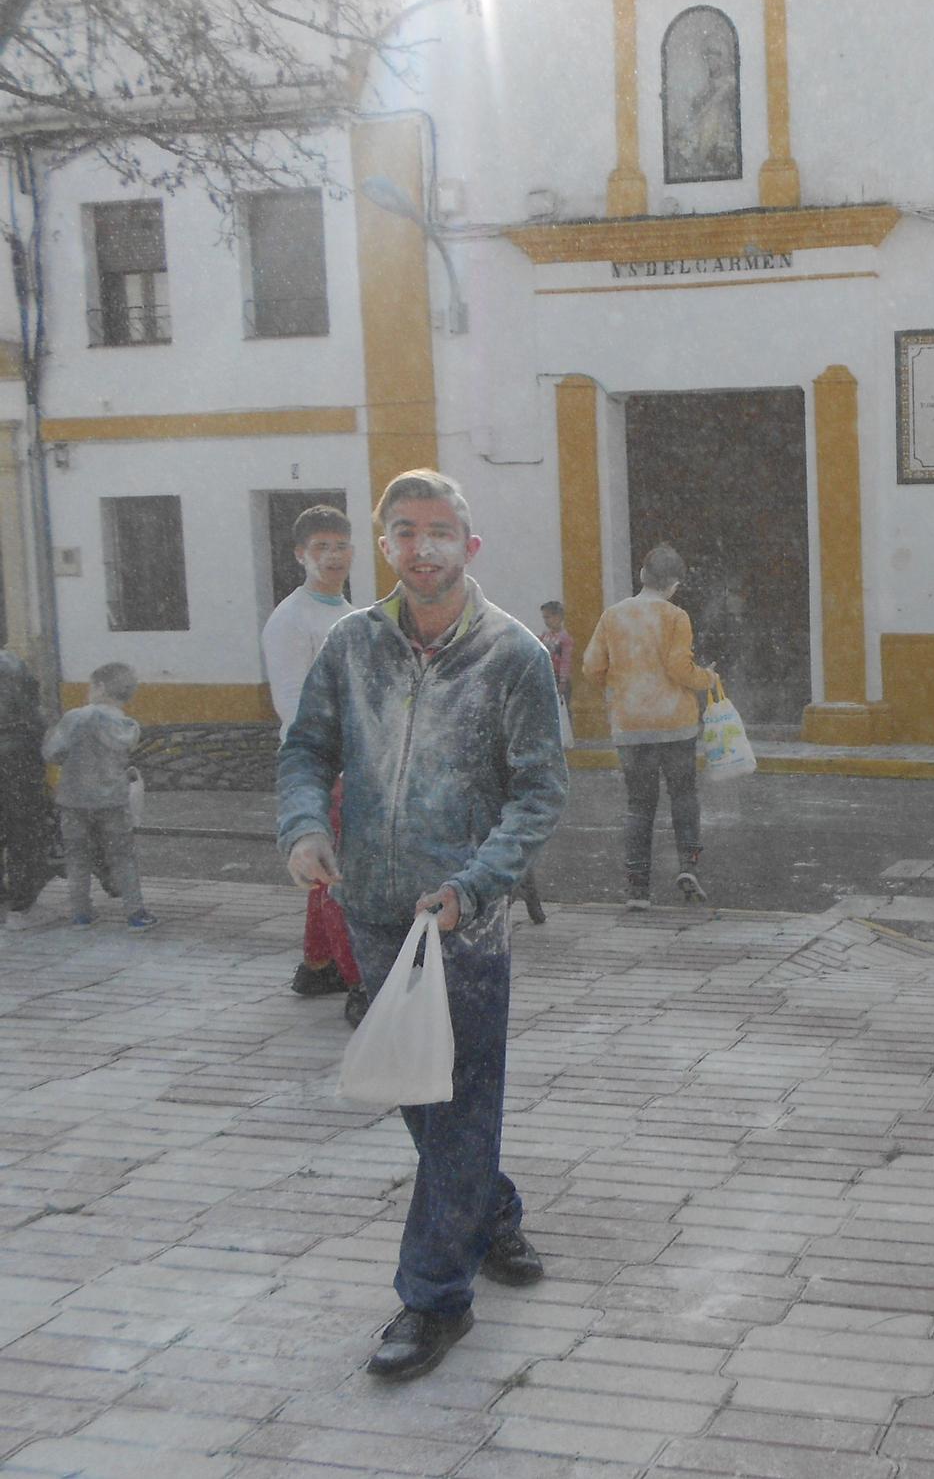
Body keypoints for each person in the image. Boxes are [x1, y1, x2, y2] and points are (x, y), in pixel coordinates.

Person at [278, 468, 567, 1381]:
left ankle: (433, 1298)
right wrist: (304, 826)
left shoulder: (513, 654)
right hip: (369, 907)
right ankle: (491, 1214)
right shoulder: (351, 645)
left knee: (459, 1096)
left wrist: (476, 885)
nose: (422, 546)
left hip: (461, 919)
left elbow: (539, 791)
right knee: (420, 1088)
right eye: (403, 530)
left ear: (469, 545)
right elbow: (305, 749)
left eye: (440, 530)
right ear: (385, 545)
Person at [260, 505, 364, 1012]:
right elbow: (294, 705)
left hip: (356, 762)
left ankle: (319, 965)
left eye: (340, 546)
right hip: (324, 767)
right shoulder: (290, 619)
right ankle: (359, 980)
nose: (332, 556)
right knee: (341, 873)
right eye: (320, 547)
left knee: (328, 867)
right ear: (300, 554)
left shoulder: (349, 614)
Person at [580, 545, 719, 907]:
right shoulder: (676, 616)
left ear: (642, 575)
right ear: (674, 585)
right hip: (676, 725)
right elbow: (678, 667)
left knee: (639, 805)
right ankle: (688, 864)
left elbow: (592, 667)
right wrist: (707, 678)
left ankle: (637, 888)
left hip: (632, 725)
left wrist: (623, 683)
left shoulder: (613, 616)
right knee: (684, 796)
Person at [43, 662, 154, 931]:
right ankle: (135, 913)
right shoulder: (128, 726)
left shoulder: (76, 718)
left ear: (101, 687)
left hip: (74, 800)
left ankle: (81, 913)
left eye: (91, 686)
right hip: (112, 802)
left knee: (78, 857)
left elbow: (52, 753)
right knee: (122, 856)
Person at [1, 649, 52, 929]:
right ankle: (23, 908)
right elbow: (32, 708)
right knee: (24, 830)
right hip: (16, 756)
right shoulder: (12, 663)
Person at [538, 600, 574, 707]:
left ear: (558, 617)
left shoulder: (564, 639)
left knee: (561, 706)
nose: (546, 621)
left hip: (558, 677)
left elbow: (565, 661)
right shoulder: (545, 636)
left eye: (548, 617)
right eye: (544, 618)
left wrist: (563, 681)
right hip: (547, 675)